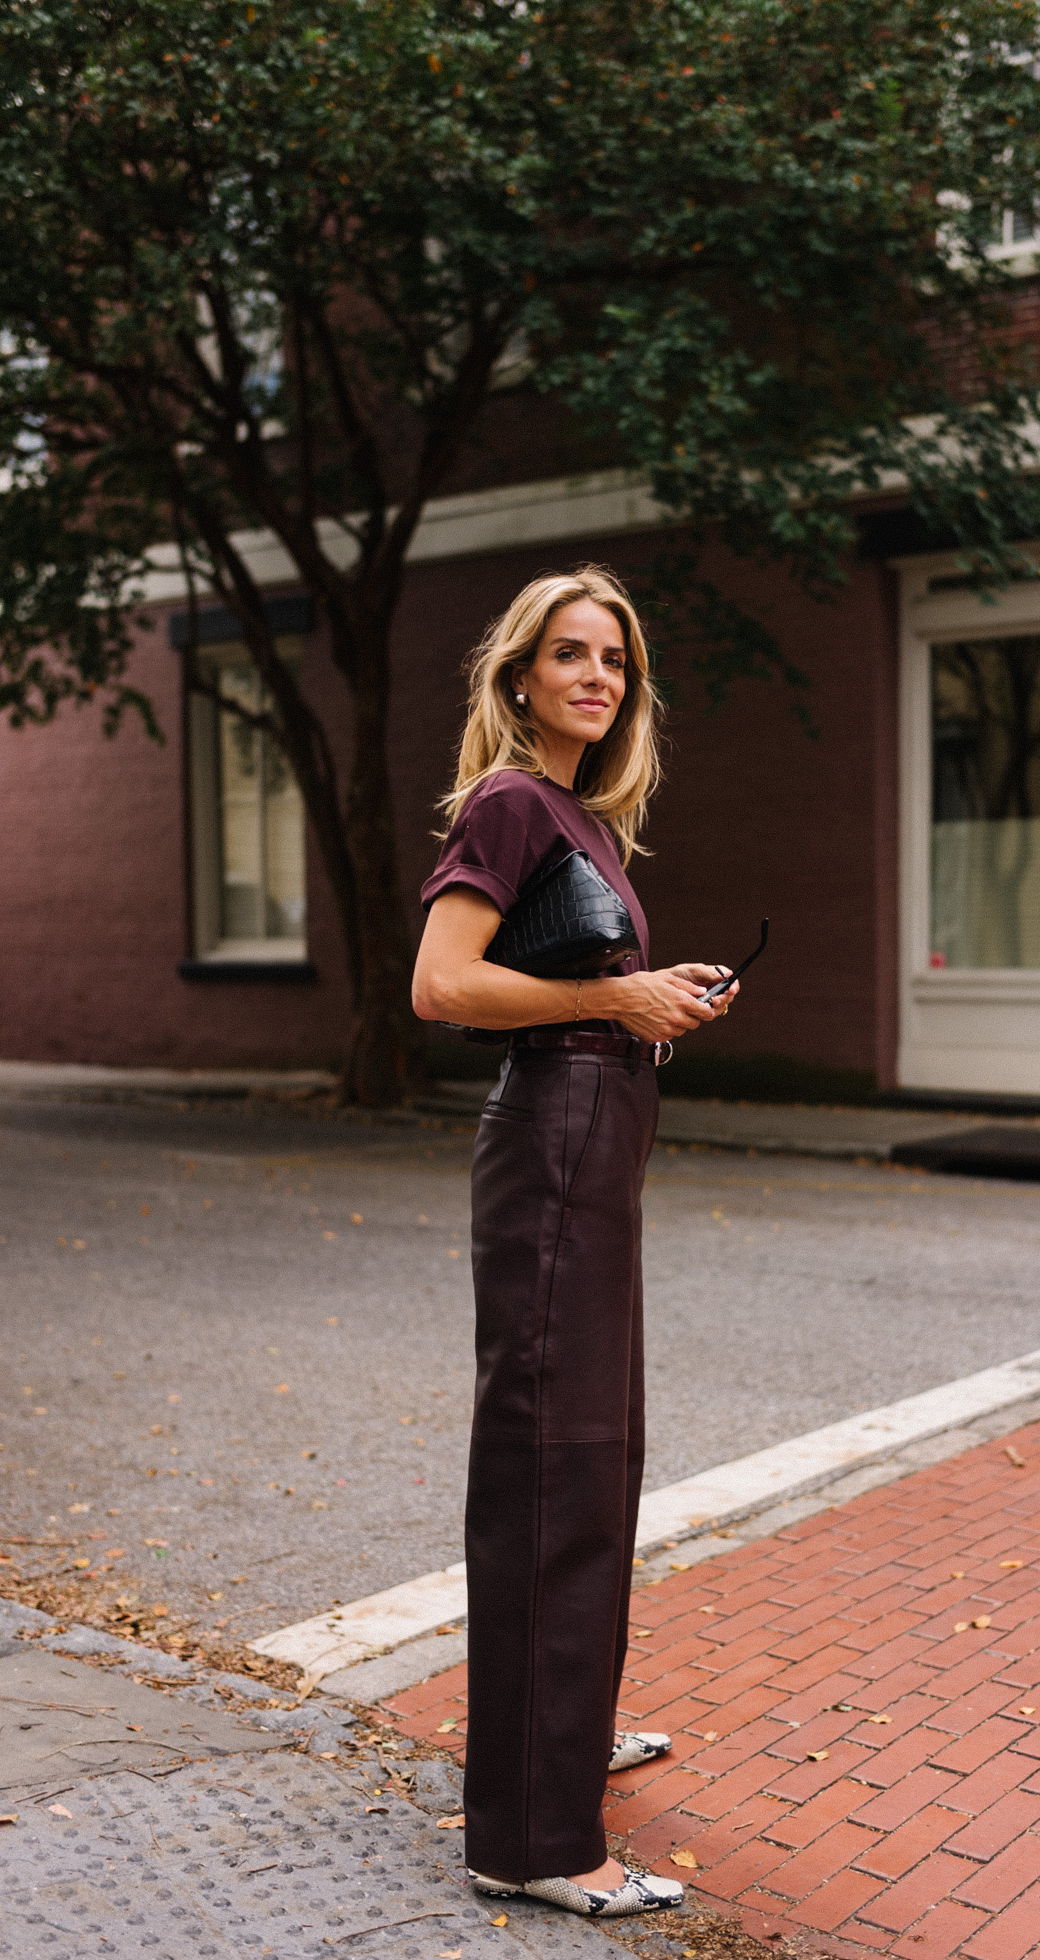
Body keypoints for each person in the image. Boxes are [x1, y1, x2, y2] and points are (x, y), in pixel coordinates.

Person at [412, 566, 737, 1920]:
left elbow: (581, 989)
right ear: (522, 674)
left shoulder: (583, 817)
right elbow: (442, 983)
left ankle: (563, 1731)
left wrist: (653, 1000)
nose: (598, 677)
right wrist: (616, 997)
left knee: (600, 1454)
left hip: (598, 1138)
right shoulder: (507, 800)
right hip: (554, 1140)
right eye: (571, 655)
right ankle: (533, 1834)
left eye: (616, 660)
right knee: (555, 1461)